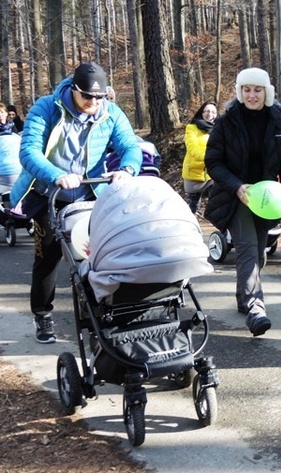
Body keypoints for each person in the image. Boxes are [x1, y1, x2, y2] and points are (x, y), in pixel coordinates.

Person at [10, 61, 143, 344]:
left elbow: (131, 146)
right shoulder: (46, 108)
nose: (93, 103)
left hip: (89, 194)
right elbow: (28, 151)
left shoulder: (111, 113)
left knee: (94, 255)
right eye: (87, 96)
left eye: (99, 97)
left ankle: (96, 313)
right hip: (49, 194)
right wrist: (56, 175)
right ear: (74, 89)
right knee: (48, 256)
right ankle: (43, 315)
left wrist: (127, 169)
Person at [204, 67, 281, 337]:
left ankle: (243, 298)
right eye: (246, 89)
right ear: (239, 91)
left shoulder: (279, 122)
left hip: (268, 200)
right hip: (237, 198)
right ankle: (256, 306)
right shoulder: (227, 121)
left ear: (266, 92)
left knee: (258, 252)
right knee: (246, 247)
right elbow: (214, 162)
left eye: (257, 90)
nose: (252, 95)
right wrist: (237, 187)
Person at [182, 101, 218, 213]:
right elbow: (192, 149)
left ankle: (220, 226)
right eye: (206, 111)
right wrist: (209, 158)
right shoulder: (191, 128)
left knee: (217, 201)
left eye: (212, 111)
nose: (209, 114)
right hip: (194, 172)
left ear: (216, 114)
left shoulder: (219, 129)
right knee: (193, 206)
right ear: (201, 113)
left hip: (211, 173)